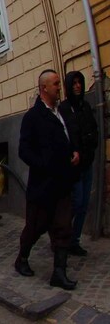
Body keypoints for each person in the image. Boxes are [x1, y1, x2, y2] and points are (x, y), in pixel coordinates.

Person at [15, 69, 80, 290]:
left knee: (63, 227)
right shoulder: (33, 117)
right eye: (55, 84)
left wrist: (74, 152)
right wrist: (44, 164)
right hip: (42, 186)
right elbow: (24, 150)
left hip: (62, 182)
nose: (59, 87)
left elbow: (66, 138)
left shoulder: (59, 112)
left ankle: (59, 273)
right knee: (35, 227)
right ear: (44, 88)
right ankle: (22, 258)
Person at [60, 70, 99, 257]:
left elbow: (93, 128)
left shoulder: (85, 106)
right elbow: (64, 135)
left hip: (87, 162)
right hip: (73, 165)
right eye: (74, 83)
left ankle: (74, 241)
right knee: (76, 202)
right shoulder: (64, 108)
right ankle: (62, 237)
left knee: (84, 204)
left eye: (79, 83)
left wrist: (91, 147)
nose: (77, 86)